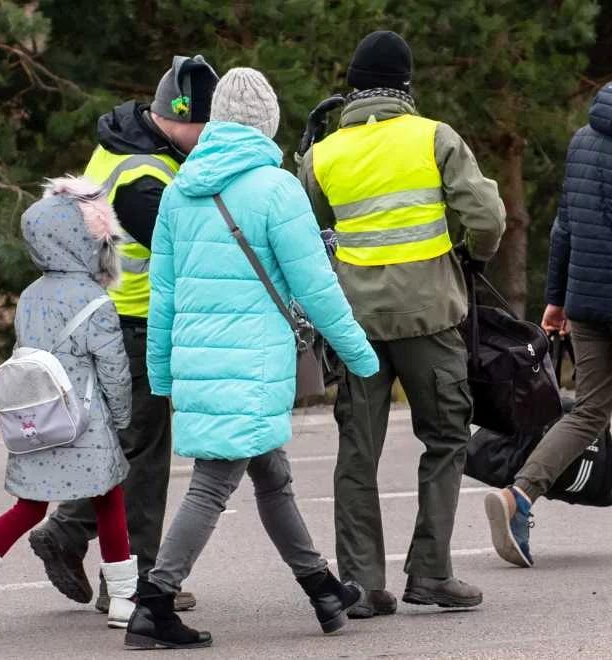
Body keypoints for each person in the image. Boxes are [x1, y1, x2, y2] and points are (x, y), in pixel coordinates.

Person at [122, 68, 378, 651]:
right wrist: (360, 356)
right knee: (213, 484)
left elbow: (163, 293)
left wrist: (162, 373)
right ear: (267, 121)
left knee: (273, 477)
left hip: (199, 361)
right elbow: (317, 288)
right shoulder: (277, 189)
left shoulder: (181, 191)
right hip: (253, 364)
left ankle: (324, 591)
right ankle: (154, 604)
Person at [298, 30, 506, 616]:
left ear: (353, 86)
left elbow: (305, 236)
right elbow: (486, 215)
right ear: (406, 84)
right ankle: (431, 572)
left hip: (354, 325)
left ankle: (361, 584)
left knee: (358, 451)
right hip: (429, 317)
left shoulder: (323, 154)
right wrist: (472, 258)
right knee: (444, 439)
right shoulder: (433, 137)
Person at [29, 54, 218, 615]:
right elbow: (180, 248)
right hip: (129, 324)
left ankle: (68, 531)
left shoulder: (125, 147)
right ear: (180, 117)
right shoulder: (144, 176)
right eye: (206, 127)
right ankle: (134, 577)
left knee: (119, 444)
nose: (209, 139)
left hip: (98, 319)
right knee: (144, 452)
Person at [0, 176, 135, 634]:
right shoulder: (96, 301)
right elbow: (113, 368)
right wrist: (122, 418)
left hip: (40, 418)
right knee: (109, 497)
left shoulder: (30, 295)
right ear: (87, 241)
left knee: (29, 505)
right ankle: (124, 597)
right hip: (86, 422)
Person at [485, 82, 612, 568]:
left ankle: (518, 495)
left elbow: (564, 226)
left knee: (588, 412)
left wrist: (556, 299)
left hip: (585, 301)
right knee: (592, 411)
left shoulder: (583, 139)